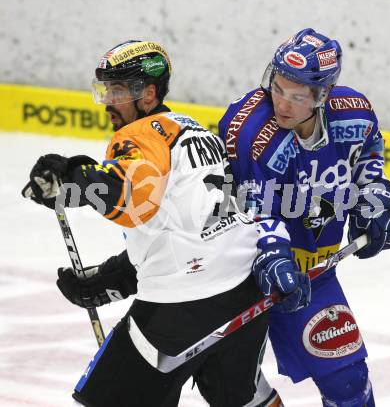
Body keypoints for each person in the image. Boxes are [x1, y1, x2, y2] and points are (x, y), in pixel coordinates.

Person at [21, 40, 283, 407]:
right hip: (245, 287)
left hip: (184, 306)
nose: (110, 101)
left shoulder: (139, 135)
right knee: (245, 397)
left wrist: (72, 180)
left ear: (147, 93)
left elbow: (133, 199)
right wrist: (116, 277)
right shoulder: (194, 131)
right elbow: (188, 227)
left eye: (119, 90)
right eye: (106, 90)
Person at [218, 28, 390, 407]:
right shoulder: (255, 131)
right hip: (235, 276)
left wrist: (375, 200)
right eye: (278, 88)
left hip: (313, 273)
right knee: (233, 388)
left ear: (322, 95)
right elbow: (249, 208)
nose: (282, 103)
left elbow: (369, 159)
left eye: (297, 96)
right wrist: (272, 256)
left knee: (349, 382)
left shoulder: (355, 115)